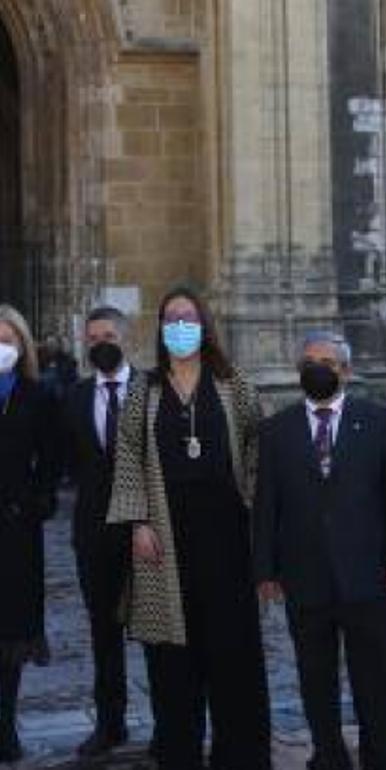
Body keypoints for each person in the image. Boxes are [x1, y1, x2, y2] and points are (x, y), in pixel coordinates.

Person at [107, 286, 272, 769]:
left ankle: (239, 757)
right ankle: (178, 754)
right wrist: (137, 520)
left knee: (233, 653)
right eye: (171, 318)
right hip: (164, 535)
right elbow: (129, 455)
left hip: (226, 538)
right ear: (161, 328)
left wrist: (256, 509)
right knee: (173, 659)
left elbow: (258, 449)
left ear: (204, 324)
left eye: (188, 316)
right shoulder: (145, 389)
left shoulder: (234, 384)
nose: (180, 325)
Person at [254, 330, 386, 770]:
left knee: (377, 675)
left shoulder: (379, 421)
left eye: (327, 362)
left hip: (370, 573)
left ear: (346, 371)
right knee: (315, 675)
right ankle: (327, 754)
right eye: (309, 361)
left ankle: (383, 754)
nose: (317, 369)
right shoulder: (276, 431)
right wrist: (265, 569)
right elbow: (267, 504)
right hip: (305, 575)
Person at [61, 306, 137, 758]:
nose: (100, 343)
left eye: (107, 335)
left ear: (126, 337)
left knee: (157, 631)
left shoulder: (153, 390)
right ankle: (111, 723)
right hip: (94, 533)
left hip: (148, 532)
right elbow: (68, 463)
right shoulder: (74, 397)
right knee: (103, 633)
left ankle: (170, 720)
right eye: (92, 338)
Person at [0, 304, 57, 763]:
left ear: (22, 346)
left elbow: (52, 460)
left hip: (15, 532)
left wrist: (36, 504)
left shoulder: (38, 396)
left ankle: (5, 728)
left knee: (11, 635)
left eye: (7, 339)